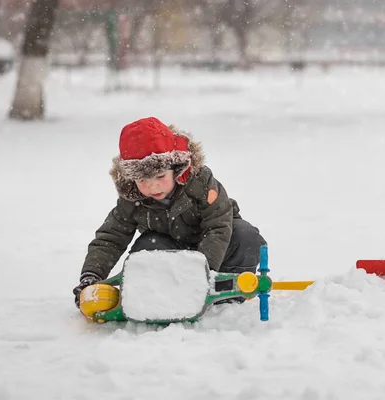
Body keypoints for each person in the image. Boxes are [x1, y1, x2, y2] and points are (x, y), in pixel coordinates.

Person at [73, 117, 266, 306]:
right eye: (143, 181)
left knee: (244, 235)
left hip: (215, 252)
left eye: (160, 176)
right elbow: (111, 237)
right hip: (171, 251)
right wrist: (91, 276)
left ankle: (226, 294)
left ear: (176, 167)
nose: (153, 186)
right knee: (147, 248)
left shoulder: (201, 183)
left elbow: (218, 226)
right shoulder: (132, 199)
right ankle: (160, 295)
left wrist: (202, 272)